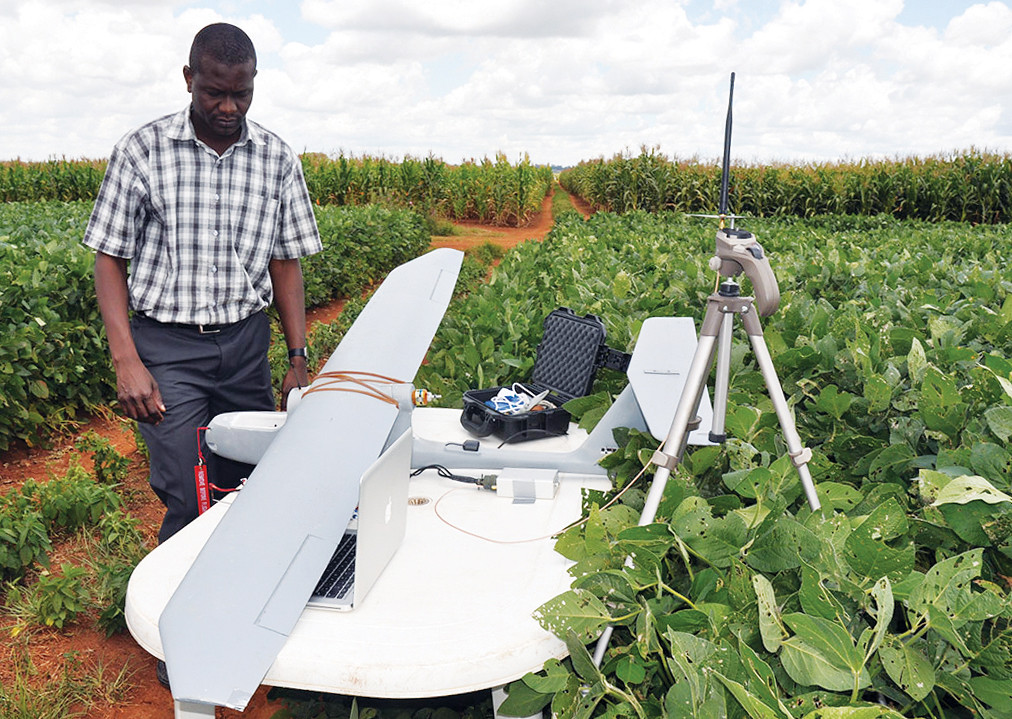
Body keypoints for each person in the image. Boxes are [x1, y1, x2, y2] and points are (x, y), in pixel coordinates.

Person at [84, 23, 322, 547]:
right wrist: (127, 360)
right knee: (191, 493)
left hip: (244, 345)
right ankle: (179, 608)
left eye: (242, 92)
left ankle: (240, 594)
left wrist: (298, 358)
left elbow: (285, 264)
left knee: (248, 481)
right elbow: (109, 260)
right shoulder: (142, 151)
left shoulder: (277, 159)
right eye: (215, 91)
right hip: (168, 349)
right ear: (189, 79)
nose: (230, 106)